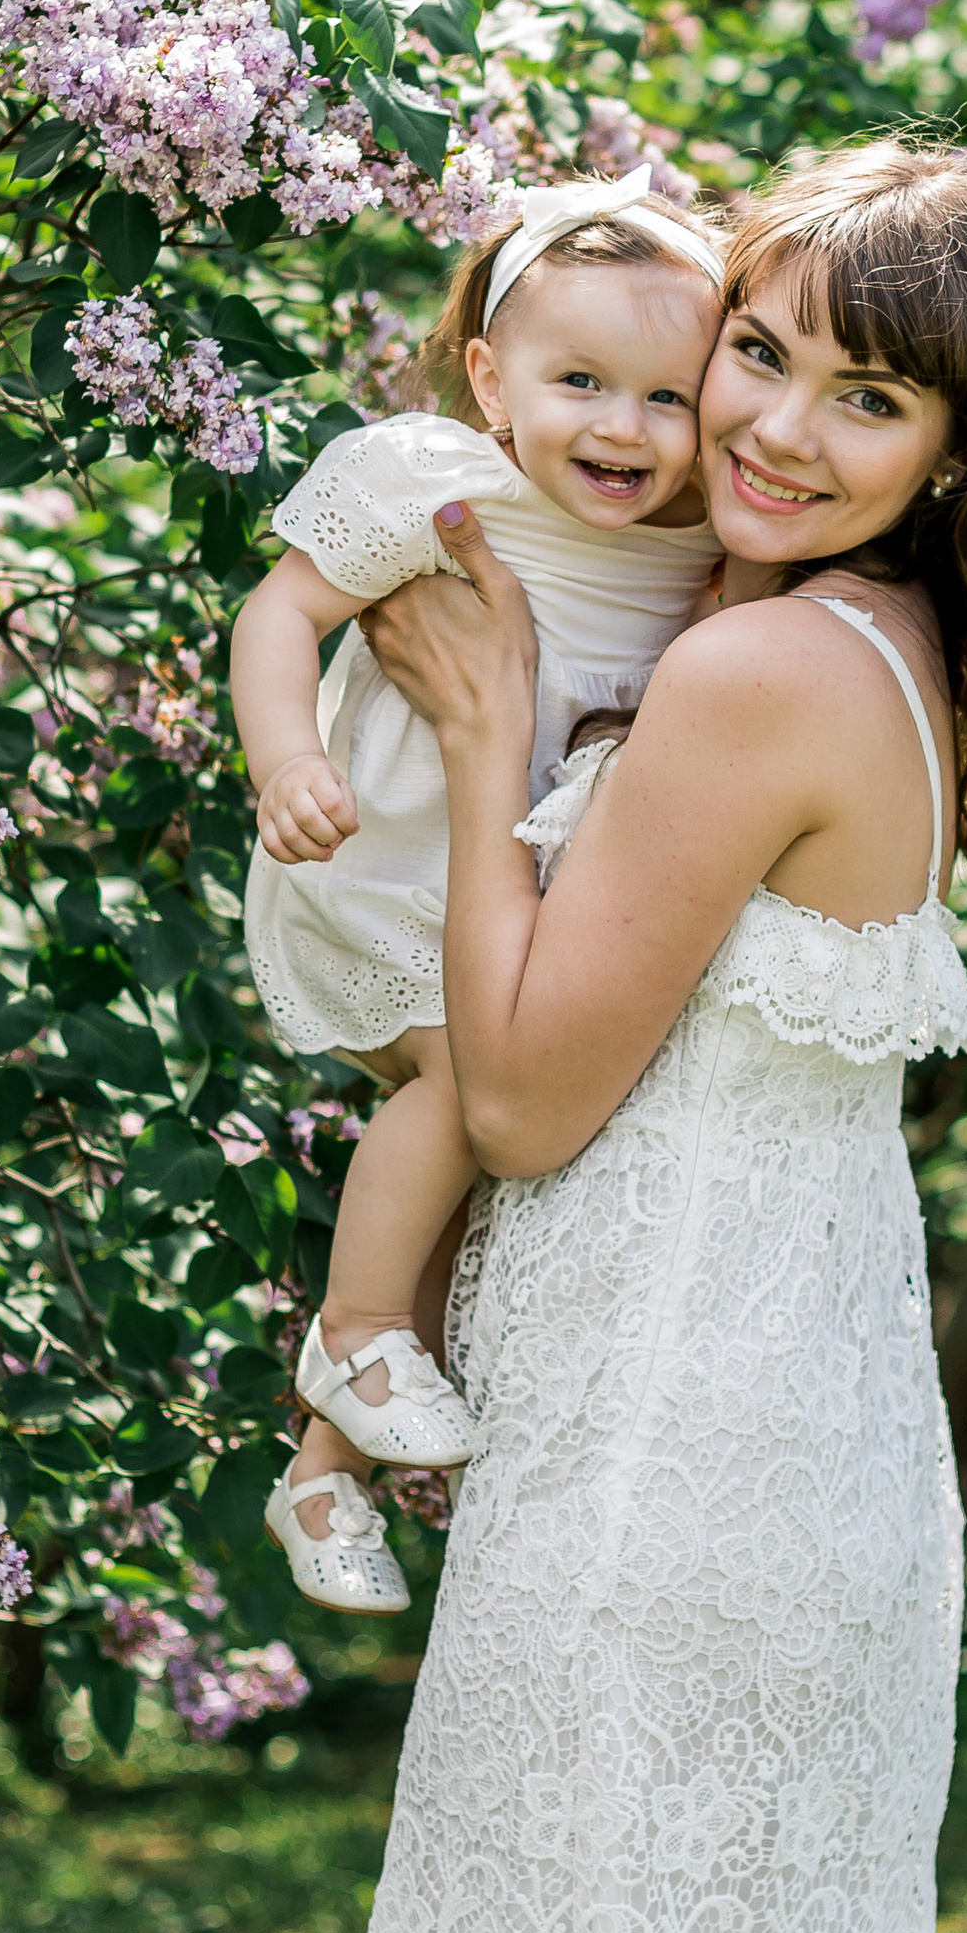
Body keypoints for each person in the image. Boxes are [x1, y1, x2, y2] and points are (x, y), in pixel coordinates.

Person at [305, 137, 967, 1933]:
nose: (771, 428)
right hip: (794, 1452)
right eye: (754, 355)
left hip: (668, 1480)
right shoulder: (874, 639)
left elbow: (519, 1106)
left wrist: (484, 735)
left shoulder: (756, 672)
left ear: (953, 452)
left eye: (868, 398)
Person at [229, 169, 726, 1614]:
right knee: (461, 1085)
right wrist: (282, 760)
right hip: (385, 857)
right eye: (581, 383)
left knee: (480, 1154)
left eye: (668, 395)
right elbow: (282, 611)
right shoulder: (437, 482)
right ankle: (355, 1330)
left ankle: (323, 1475)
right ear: (495, 381)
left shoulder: (702, 537)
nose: (625, 427)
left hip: (523, 879)